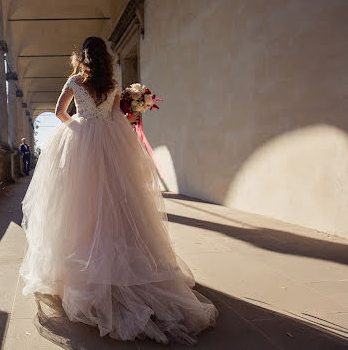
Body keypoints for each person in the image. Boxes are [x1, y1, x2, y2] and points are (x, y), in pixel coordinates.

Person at [19, 37, 217, 344]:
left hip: (82, 142)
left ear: (81, 57)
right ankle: (126, 260)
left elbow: (60, 113)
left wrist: (79, 126)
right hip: (112, 144)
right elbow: (116, 117)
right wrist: (131, 116)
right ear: (105, 59)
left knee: (79, 204)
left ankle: (83, 268)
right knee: (119, 201)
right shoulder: (112, 84)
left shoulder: (74, 81)